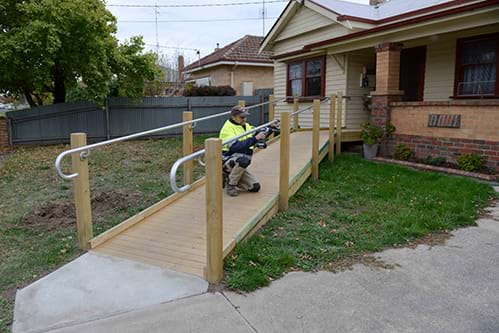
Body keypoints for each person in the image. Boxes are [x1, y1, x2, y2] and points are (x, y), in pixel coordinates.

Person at [219, 105, 267, 197]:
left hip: (240, 163)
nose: (244, 119)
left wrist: (265, 131)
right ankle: (231, 184)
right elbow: (235, 147)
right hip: (227, 161)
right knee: (243, 160)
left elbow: (255, 132)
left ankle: (228, 177)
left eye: (245, 116)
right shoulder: (227, 129)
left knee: (255, 187)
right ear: (233, 117)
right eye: (241, 117)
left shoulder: (245, 125)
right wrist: (255, 139)